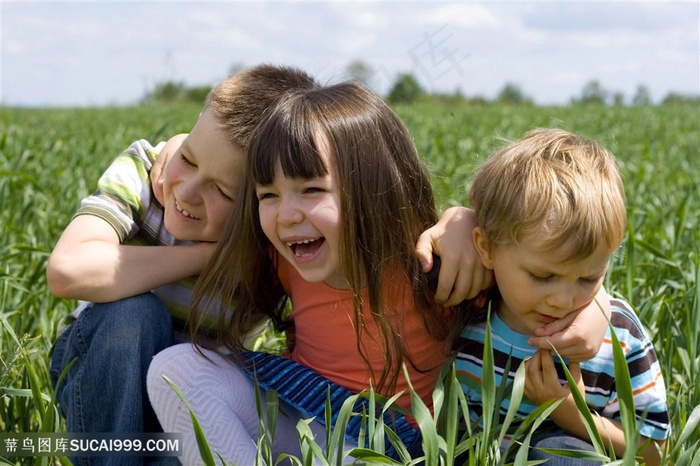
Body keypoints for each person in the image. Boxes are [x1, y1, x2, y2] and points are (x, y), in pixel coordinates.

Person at [146, 86, 613, 464]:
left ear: (372, 190)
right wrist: (170, 155)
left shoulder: (435, 267)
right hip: (299, 407)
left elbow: (549, 271)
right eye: (269, 194)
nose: (286, 214)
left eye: (311, 190)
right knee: (175, 369)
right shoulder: (285, 259)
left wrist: (595, 309)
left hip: (383, 442)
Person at [46, 64, 319, 466]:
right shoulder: (144, 172)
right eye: (188, 159)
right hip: (99, 376)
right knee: (135, 314)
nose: (186, 191)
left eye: (222, 190)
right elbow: (68, 269)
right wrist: (209, 255)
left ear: (264, 202)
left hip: (180, 396)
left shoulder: (274, 241)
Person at [455, 128, 670, 465]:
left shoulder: (619, 335)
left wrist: (573, 415)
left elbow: (655, 452)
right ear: (486, 248)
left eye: (589, 278)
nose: (564, 300)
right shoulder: (467, 311)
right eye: (543, 276)